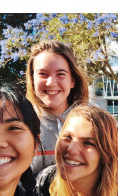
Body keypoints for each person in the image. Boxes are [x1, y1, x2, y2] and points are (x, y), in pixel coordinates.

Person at [34, 105, 118, 196]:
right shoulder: (45, 181)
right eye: (67, 137)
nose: (71, 149)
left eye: (88, 143)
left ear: (106, 154)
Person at [26, 40, 89, 175]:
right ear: (32, 79)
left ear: (72, 81)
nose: (51, 82)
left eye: (61, 74)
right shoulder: (20, 124)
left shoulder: (93, 122)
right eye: (43, 74)